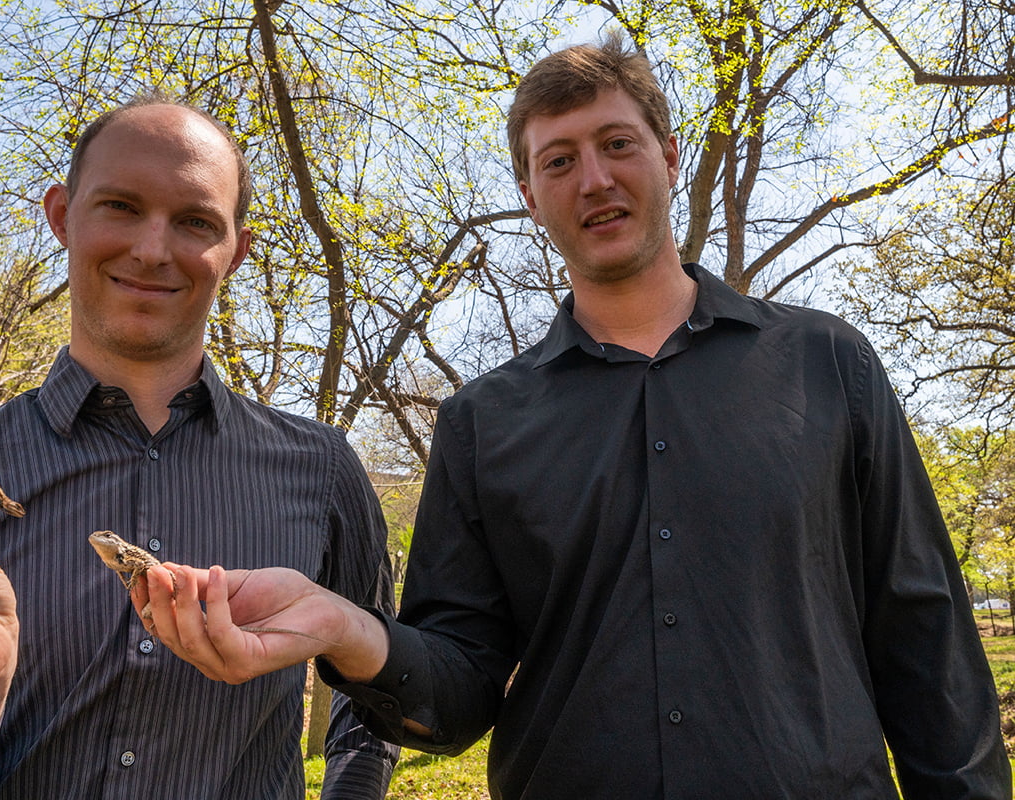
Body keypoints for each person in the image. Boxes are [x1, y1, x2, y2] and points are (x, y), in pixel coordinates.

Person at [127, 34, 1012, 799]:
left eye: (617, 144)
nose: (594, 179)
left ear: (669, 154)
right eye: (558, 160)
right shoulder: (480, 422)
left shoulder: (828, 364)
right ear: (527, 189)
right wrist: (344, 627)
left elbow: (925, 637)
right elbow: (460, 691)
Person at [0, 97, 398, 799]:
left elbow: (379, 704)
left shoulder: (325, 471)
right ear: (62, 215)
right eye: (121, 206)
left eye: (194, 221)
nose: (152, 249)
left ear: (235, 252)